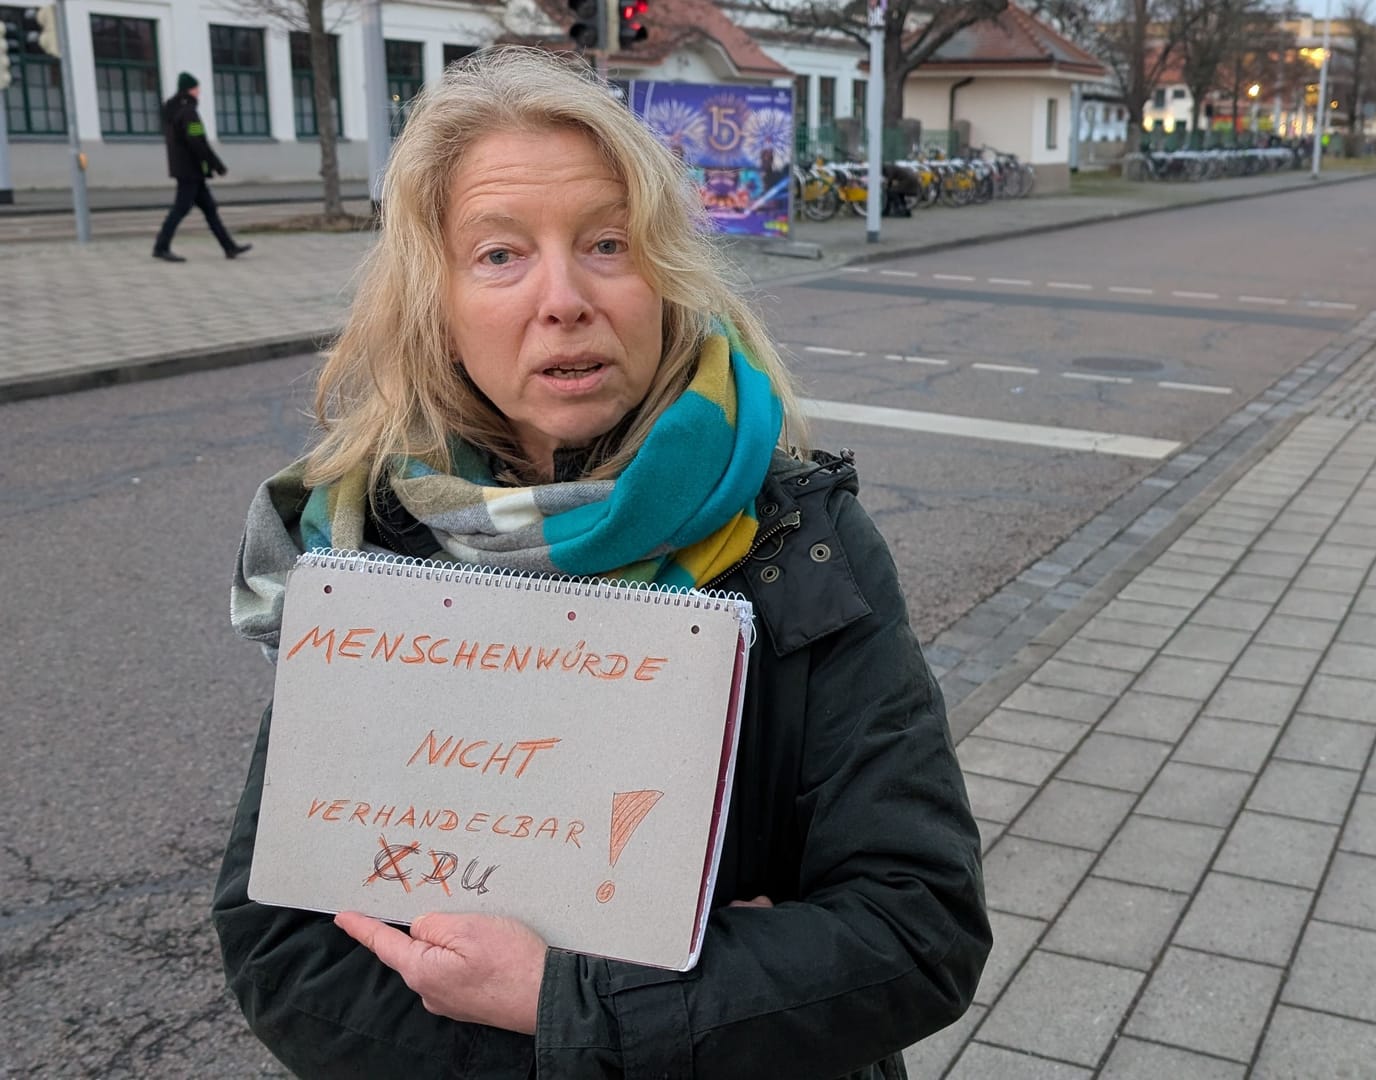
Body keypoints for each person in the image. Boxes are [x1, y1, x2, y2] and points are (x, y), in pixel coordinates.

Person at [213, 46, 989, 1078]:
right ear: (433, 301)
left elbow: (917, 925)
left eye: (606, 244)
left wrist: (565, 1007)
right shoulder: (369, 548)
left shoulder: (794, 538)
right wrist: (667, 1002)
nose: (564, 297)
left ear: (664, 276)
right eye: (499, 255)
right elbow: (285, 940)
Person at [153, 72, 252, 263]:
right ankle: (161, 246)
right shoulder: (189, 112)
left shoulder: (173, 111)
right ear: (190, 89)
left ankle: (229, 246)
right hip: (191, 170)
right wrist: (216, 164)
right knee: (180, 208)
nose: (199, 92)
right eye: (197, 88)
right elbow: (197, 141)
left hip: (186, 168)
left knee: (210, 209)